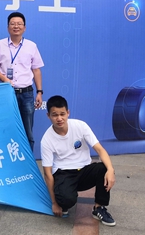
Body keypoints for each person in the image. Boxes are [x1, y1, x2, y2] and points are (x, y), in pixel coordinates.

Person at [41, 95, 116, 226]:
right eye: (55, 115)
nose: (59, 118)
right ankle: (64, 196)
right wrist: (54, 203)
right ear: (48, 116)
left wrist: (110, 170)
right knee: (66, 200)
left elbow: (99, 149)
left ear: (68, 113)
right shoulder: (46, 139)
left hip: (84, 170)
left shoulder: (80, 126)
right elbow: (47, 173)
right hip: (64, 172)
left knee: (103, 168)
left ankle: (99, 208)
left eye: (62, 114)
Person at [0, 12, 44, 151]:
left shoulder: (31, 46)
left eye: (19, 24)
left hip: (27, 93)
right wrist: (4, 79)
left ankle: (28, 160)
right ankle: (9, 158)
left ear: (24, 28)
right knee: (6, 128)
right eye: (12, 24)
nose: (16, 26)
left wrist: (39, 92)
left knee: (27, 131)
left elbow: (36, 70)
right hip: (7, 92)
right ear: (8, 27)